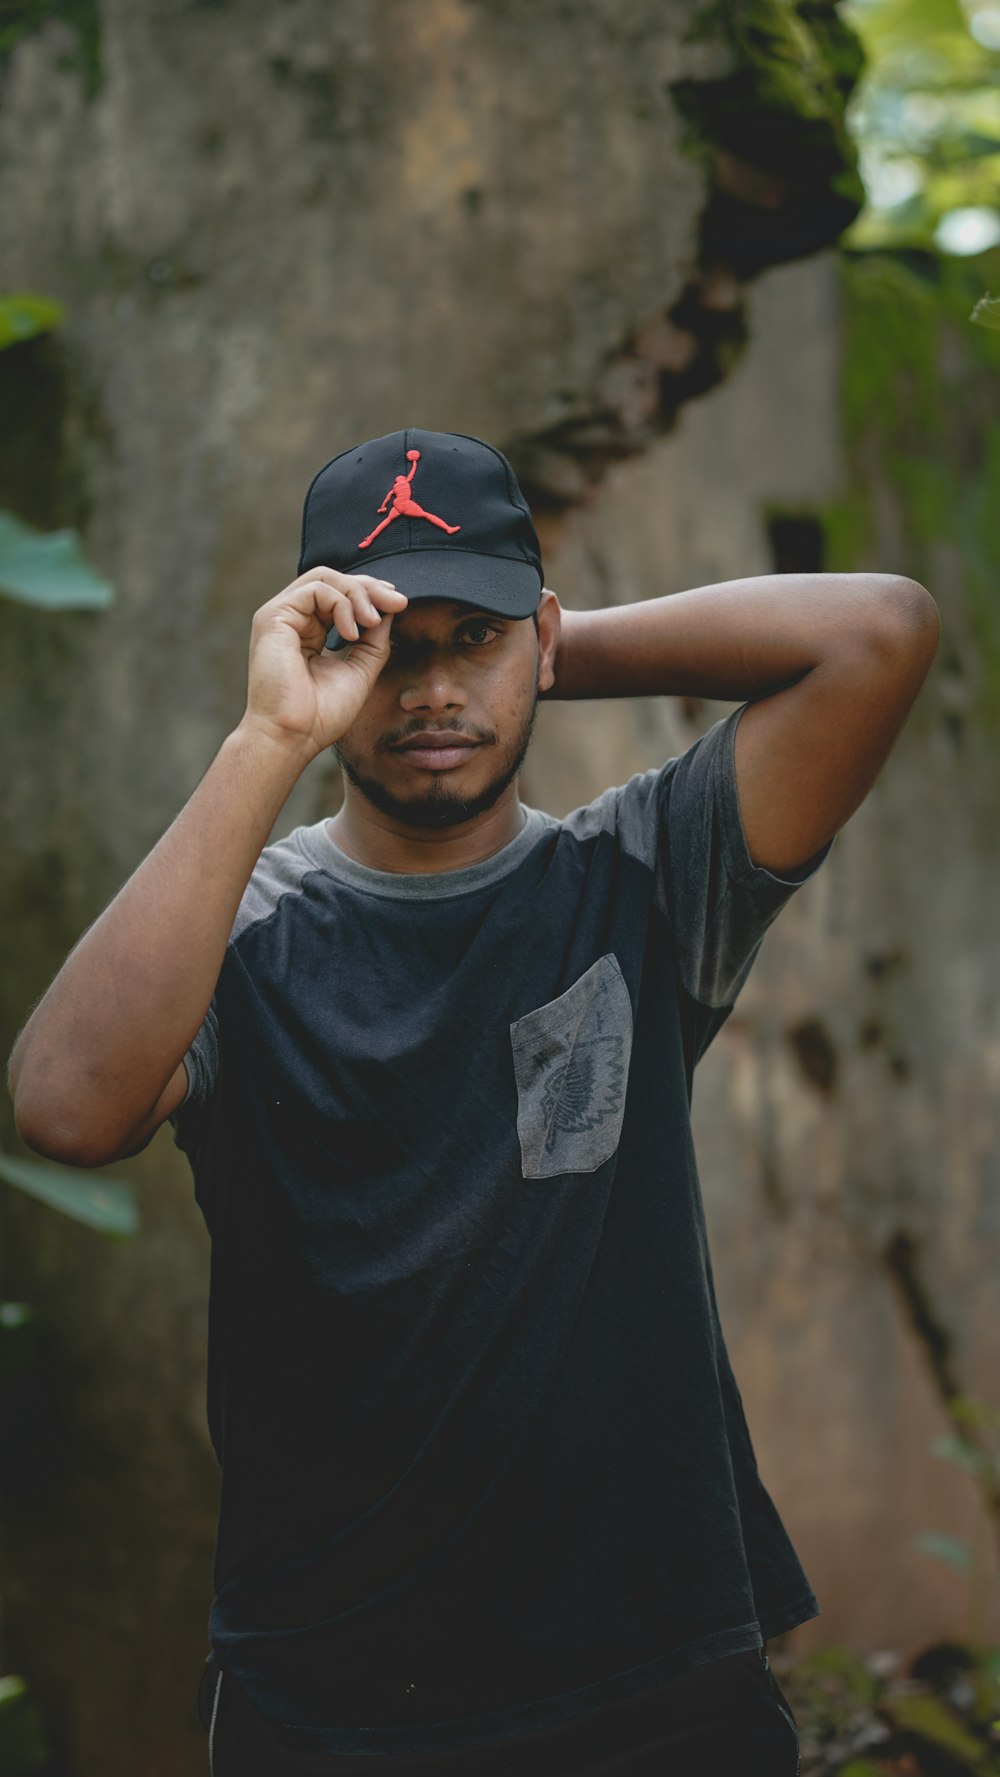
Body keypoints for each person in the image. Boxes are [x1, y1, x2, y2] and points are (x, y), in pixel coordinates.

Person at [8, 428, 940, 1776]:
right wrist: (276, 731)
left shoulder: (645, 874)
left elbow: (878, 631)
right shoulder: (236, 933)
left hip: (658, 1677)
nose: (431, 685)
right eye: (392, 644)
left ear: (540, 642)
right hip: (333, 1693)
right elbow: (65, 1107)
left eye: (475, 638)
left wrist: (540, 651)